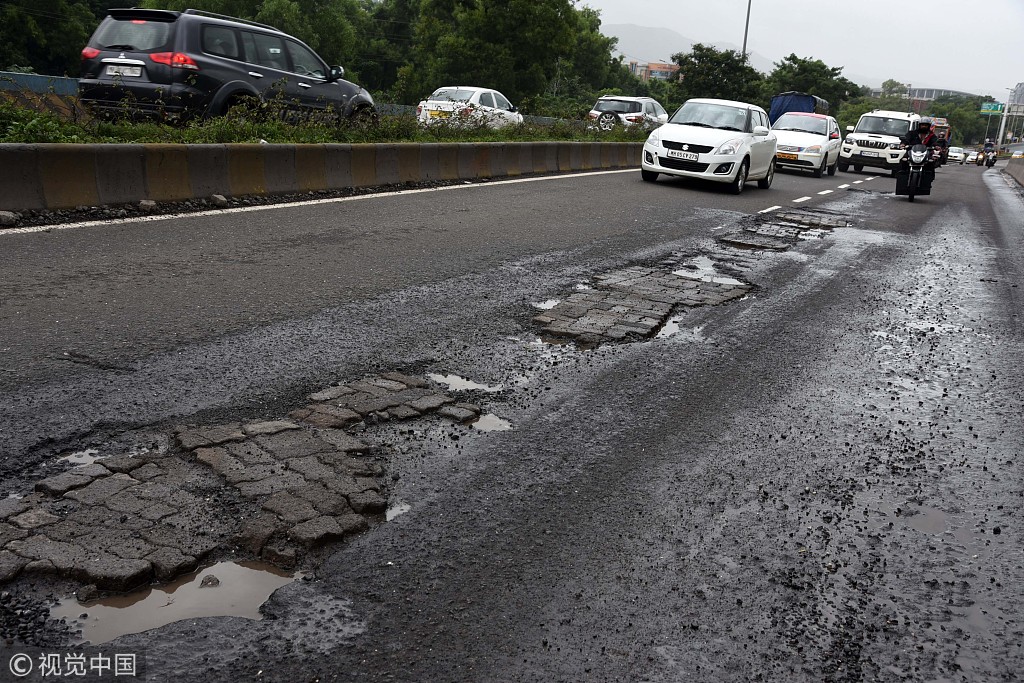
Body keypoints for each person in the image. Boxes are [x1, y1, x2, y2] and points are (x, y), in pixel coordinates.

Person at [900, 118, 938, 188]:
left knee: (931, 162)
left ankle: (929, 179)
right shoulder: (912, 133)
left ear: (929, 126)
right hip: (911, 151)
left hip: (926, 153)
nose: (923, 126)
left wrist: (936, 146)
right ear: (919, 125)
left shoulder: (932, 135)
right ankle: (902, 176)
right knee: (903, 159)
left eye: (925, 125)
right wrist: (903, 144)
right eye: (922, 125)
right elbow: (906, 139)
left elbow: (935, 142)